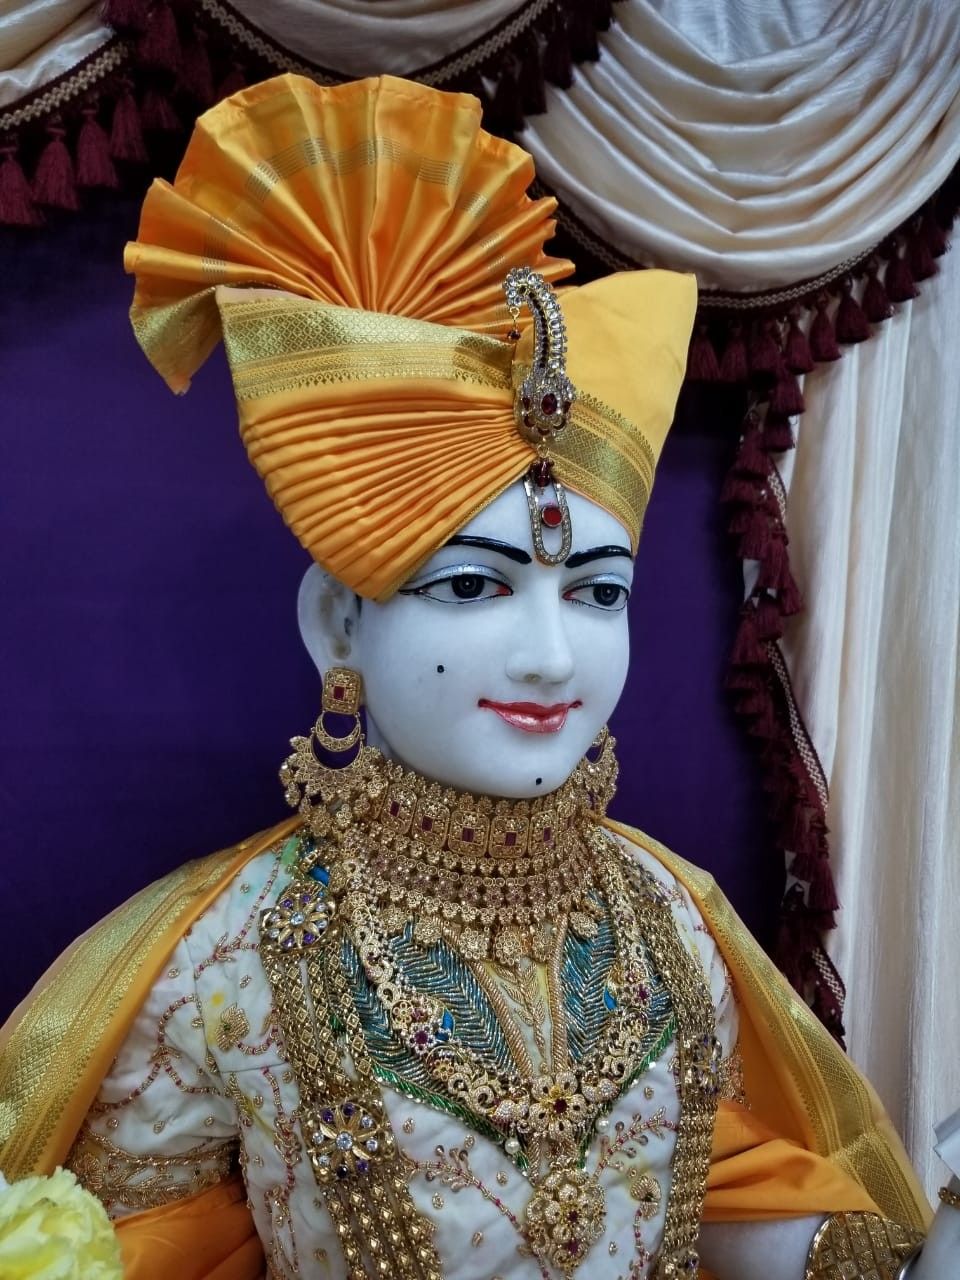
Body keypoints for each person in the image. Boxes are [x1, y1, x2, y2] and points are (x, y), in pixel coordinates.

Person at [0, 73, 956, 1280]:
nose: (552, 653)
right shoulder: (227, 959)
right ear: (339, 625)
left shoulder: (670, 918)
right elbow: (152, 1252)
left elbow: (706, 1184)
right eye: (470, 586)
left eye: (597, 592)